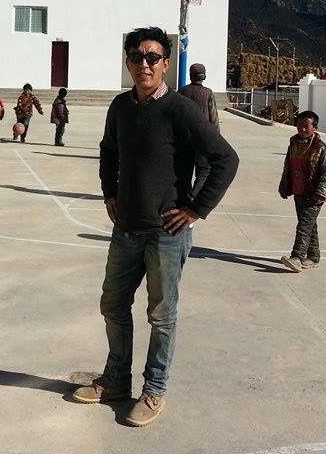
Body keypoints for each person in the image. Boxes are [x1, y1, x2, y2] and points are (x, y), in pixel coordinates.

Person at [72, 27, 239, 427]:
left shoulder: (180, 109)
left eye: (152, 57)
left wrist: (196, 209)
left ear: (165, 63)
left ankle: (154, 389)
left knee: (161, 316)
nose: (143, 64)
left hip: (166, 234)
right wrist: (108, 192)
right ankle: (115, 381)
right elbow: (108, 150)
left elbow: (225, 159)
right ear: (128, 62)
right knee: (113, 304)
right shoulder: (120, 106)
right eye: (136, 56)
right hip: (125, 228)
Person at [278, 110, 326, 273]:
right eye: (299, 125)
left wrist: (321, 192)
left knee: (303, 225)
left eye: (306, 126)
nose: (302, 129)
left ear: (314, 127)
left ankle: (297, 256)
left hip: (314, 194)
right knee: (309, 225)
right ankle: (313, 256)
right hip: (298, 190)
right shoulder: (294, 144)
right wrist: (284, 185)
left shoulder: (322, 148)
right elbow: (287, 166)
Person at [178, 62, 220, 197]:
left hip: (184, 138)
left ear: (190, 76)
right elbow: (214, 118)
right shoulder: (208, 93)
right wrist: (215, 139)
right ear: (204, 76)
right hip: (203, 138)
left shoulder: (182, 92)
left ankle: (184, 196)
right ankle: (193, 196)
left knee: (184, 170)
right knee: (203, 171)